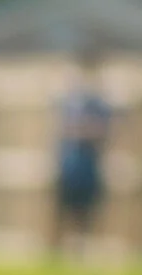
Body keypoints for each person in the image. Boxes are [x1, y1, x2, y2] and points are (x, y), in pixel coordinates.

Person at [54, 45, 111, 260]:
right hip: (68, 162)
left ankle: (80, 251)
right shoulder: (69, 100)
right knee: (64, 206)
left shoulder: (98, 102)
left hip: (88, 163)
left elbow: (101, 130)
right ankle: (62, 249)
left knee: (85, 210)